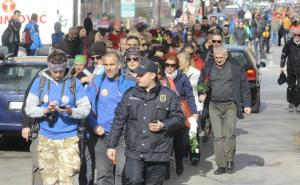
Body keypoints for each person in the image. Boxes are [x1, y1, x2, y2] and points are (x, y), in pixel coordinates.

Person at [106, 58, 184, 185]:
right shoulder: (130, 94)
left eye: (141, 74)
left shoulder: (168, 95)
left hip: (158, 152)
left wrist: (163, 125)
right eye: (136, 74)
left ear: (153, 75)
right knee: (133, 181)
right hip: (135, 151)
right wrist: (111, 146)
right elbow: (118, 120)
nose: (137, 77)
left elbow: (179, 118)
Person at [24, 49, 91, 184]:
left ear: (66, 67)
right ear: (49, 67)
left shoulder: (74, 83)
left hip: (69, 139)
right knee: (50, 181)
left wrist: (71, 111)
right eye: (55, 71)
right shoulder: (40, 82)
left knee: (67, 180)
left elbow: (85, 109)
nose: (58, 75)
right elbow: (29, 109)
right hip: (46, 139)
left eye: (61, 71)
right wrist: (45, 110)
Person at [198, 46, 251, 174]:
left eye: (221, 57)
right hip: (214, 105)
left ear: (226, 56)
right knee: (218, 136)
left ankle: (229, 160)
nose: (219, 60)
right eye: (216, 58)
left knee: (230, 134)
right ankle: (221, 164)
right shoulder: (209, 66)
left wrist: (247, 104)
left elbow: (244, 85)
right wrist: (201, 92)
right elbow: (202, 82)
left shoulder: (235, 66)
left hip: (230, 105)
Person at [86, 52, 135, 185]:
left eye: (112, 64)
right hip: (102, 136)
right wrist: (94, 125)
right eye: (106, 64)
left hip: (123, 136)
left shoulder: (130, 85)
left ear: (119, 65)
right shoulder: (97, 83)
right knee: (103, 176)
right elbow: (86, 106)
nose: (108, 68)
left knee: (122, 173)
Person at [164, 54, 198, 175]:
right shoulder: (160, 78)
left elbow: (190, 96)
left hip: (179, 113)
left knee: (178, 141)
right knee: (165, 141)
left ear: (176, 66)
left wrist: (194, 113)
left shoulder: (182, 78)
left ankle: (179, 162)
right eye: (167, 65)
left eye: (173, 65)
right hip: (164, 113)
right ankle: (166, 166)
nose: (170, 68)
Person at [280, 27, 300, 112]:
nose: (296, 36)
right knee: (291, 87)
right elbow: (283, 55)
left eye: (298, 35)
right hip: (291, 68)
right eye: (295, 35)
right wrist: (282, 66)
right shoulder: (289, 43)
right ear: (293, 35)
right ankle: (291, 102)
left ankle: (298, 104)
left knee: (299, 87)